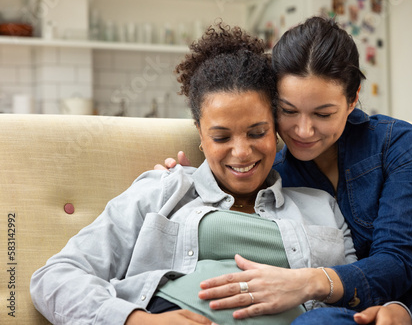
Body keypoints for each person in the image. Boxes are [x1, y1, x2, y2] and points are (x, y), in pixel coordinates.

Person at [159, 16, 412, 324]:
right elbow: (226, 207)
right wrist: (190, 180)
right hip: (344, 308)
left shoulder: (402, 145)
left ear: (353, 100)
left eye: (323, 114)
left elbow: (398, 261)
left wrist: (308, 283)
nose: (303, 131)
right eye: (288, 111)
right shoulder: (269, 172)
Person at [31, 21, 363, 325]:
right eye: (221, 137)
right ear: (200, 136)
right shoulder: (164, 191)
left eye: (257, 133)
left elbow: (360, 293)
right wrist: (137, 321)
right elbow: (54, 277)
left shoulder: (321, 205)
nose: (241, 152)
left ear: (276, 128)